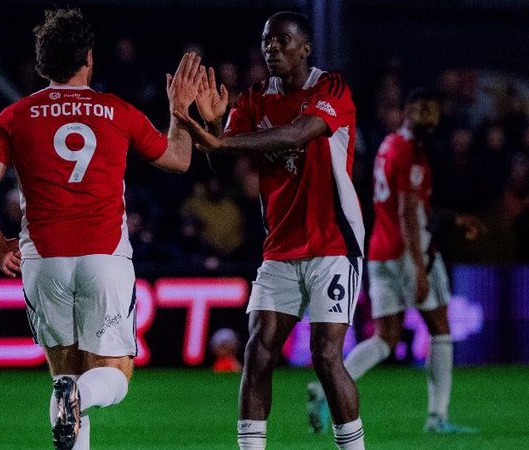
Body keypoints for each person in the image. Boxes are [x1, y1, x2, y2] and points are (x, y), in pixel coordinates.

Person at [0, 8, 202, 450]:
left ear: (42, 63)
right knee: (112, 375)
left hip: (44, 260)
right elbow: (179, 159)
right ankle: (81, 395)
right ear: (88, 59)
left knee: (64, 376)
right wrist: (180, 113)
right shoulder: (115, 111)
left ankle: (71, 393)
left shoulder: (15, 116)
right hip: (104, 256)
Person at [174, 11, 365, 450]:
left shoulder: (330, 88)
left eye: (282, 40)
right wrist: (212, 126)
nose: (271, 47)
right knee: (257, 351)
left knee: (325, 354)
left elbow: (299, 132)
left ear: (305, 49)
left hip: (333, 242)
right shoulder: (255, 97)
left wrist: (223, 139)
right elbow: (221, 156)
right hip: (279, 246)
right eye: (266, 40)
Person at [306, 88, 483, 434]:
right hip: (407, 251)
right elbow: (406, 211)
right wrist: (418, 266)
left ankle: (325, 388)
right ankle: (437, 418)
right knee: (441, 329)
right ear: (408, 112)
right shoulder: (410, 151)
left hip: (380, 250)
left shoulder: (388, 144)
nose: (427, 117)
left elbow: (406, 204)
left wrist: (452, 218)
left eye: (430, 110)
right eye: (420, 109)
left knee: (385, 338)